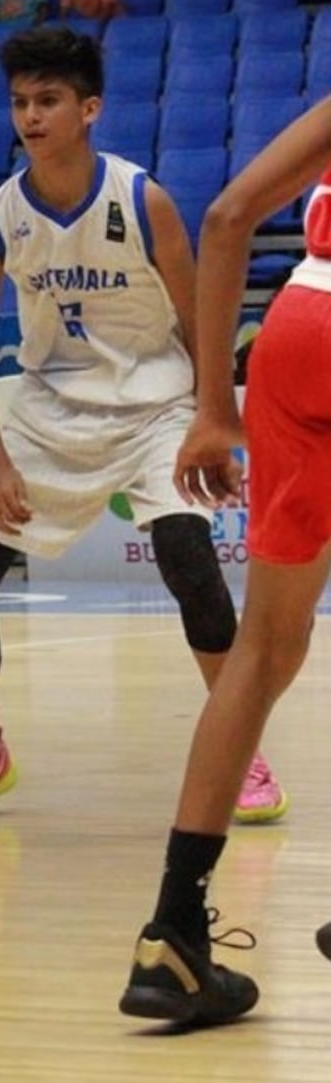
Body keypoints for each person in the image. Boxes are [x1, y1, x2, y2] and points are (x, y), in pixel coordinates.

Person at [0, 27, 285, 823]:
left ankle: (241, 753)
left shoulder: (142, 200)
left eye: (48, 101)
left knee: (189, 560)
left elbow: (200, 320)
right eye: (20, 102)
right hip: (48, 409)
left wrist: (212, 420)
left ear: (90, 109)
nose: (30, 117)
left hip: (156, 404)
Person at [118, 97, 331, 1027]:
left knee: (265, 646)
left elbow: (227, 216)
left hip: (300, 327)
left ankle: (172, 937)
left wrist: (212, 405)